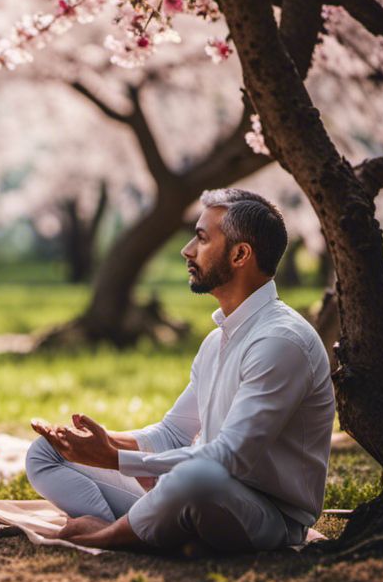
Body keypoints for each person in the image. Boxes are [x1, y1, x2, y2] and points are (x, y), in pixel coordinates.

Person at [25, 188, 334, 553]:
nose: (188, 250)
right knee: (44, 453)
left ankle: (105, 536)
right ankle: (148, 528)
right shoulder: (216, 340)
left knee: (195, 476)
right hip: (189, 492)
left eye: (202, 238)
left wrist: (117, 459)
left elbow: (229, 458)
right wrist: (99, 442)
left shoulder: (281, 341)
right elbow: (173, 432)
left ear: (240, 254)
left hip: (266, 516)